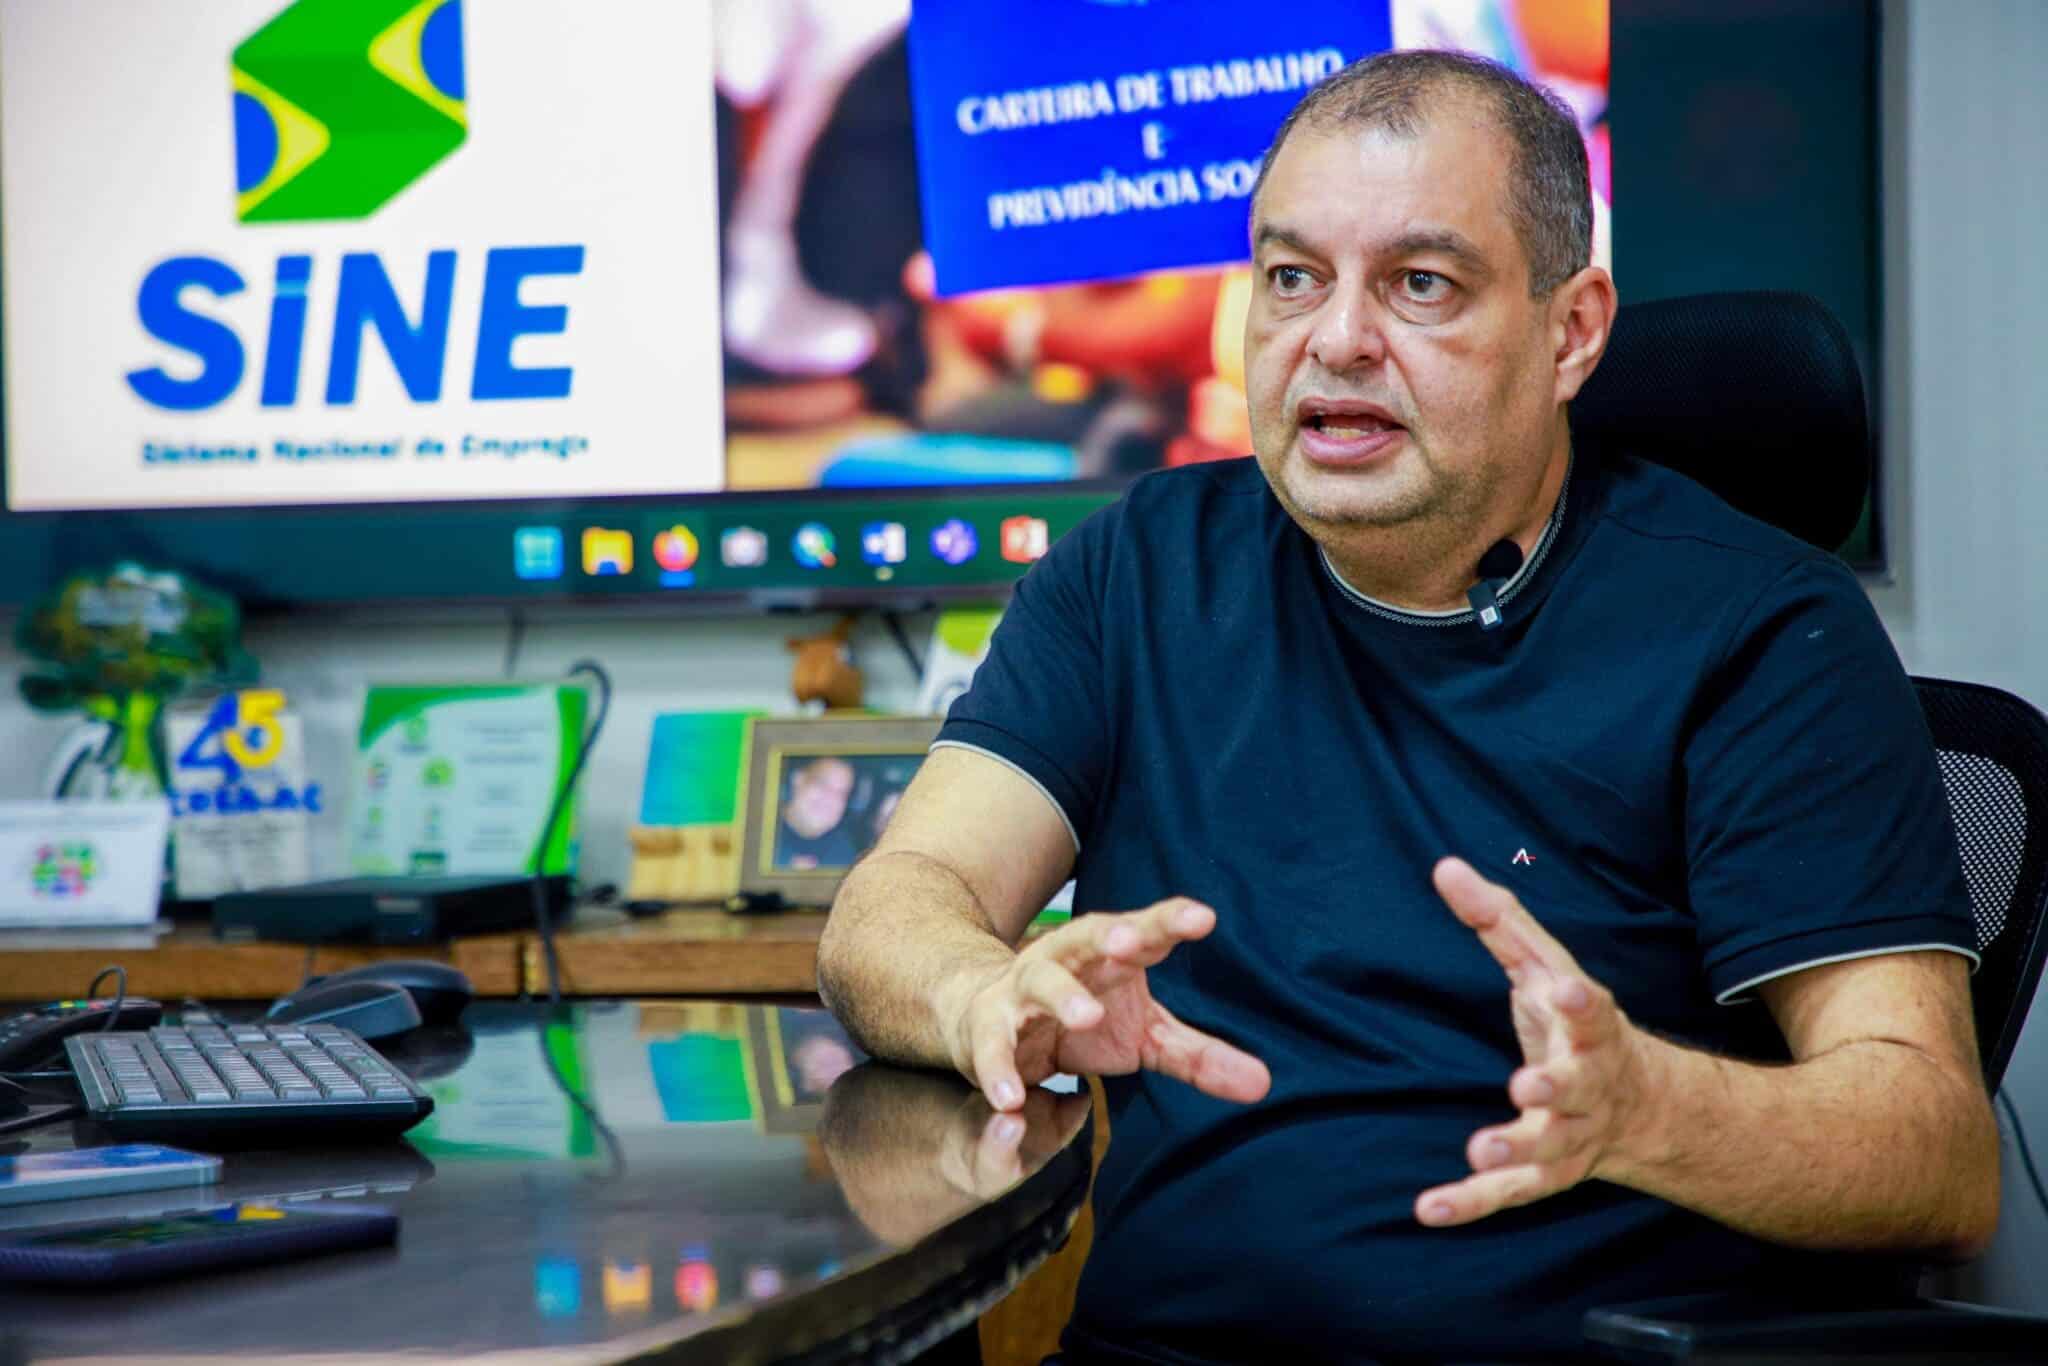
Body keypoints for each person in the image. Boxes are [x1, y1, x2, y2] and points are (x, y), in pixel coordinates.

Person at [816, 49, 1997, 1363]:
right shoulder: (1135, 570)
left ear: (1572, 330)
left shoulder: (1760, 628)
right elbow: (893, 904)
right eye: (1291, 277)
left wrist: (1649, 1108)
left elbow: (1936, 1156)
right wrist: (983, 998)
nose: (1334, 339)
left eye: (1419, 282)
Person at [776, 755, 859, 870]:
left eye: (842, 793)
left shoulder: (845, 857)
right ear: (798, 780)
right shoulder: (756, 834)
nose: (831, 798)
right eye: (823, 784)